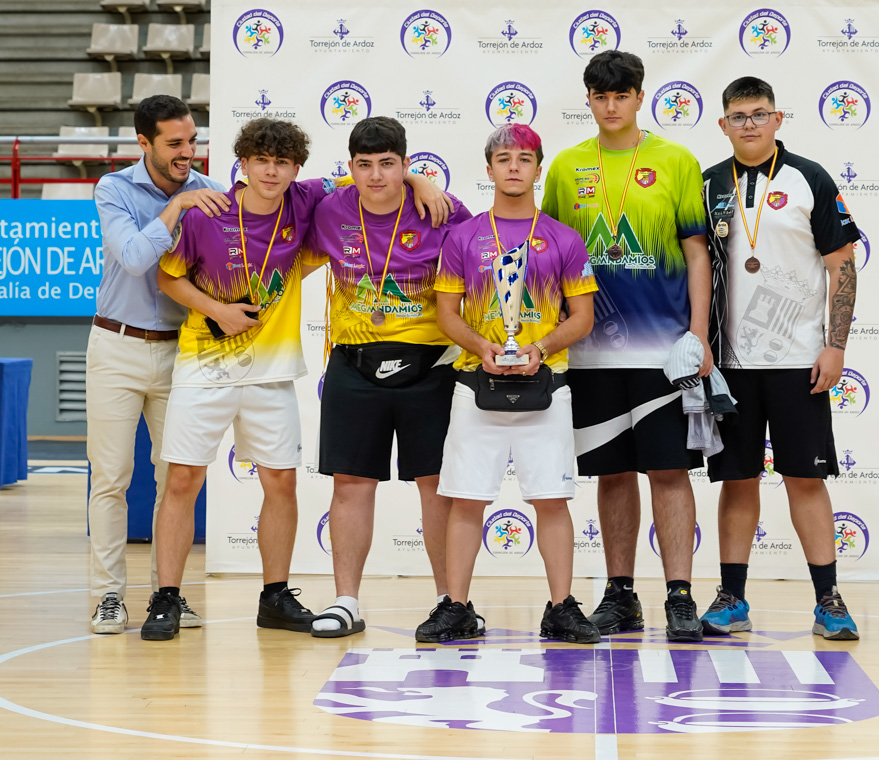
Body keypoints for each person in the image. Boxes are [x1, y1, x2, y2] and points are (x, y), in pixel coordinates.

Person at [541, 50, 712, 642]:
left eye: (621, 95)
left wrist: (699, 333)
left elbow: (696, 253)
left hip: (664, 349)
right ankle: (620, 595)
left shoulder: (676, 160)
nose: (610, 106)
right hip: (590, 353)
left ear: (641, 97)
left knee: (669, 472)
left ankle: (681, 596)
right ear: (588, 99)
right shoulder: (565, 166)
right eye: (599, 95)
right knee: (613, 476)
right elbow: (548, 258)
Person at [142, 118, 333, 641]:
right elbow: (168, 277)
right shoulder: (209, 213)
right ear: (243, 164)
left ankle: (275, 596)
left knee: (282, 482)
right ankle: (167, 597)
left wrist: (421, 181)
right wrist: (217, 312)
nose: (271, 171)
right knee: (183, 480)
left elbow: (371, 177)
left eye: (282, 163)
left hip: (271, 372)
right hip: (205, 367)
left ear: (296, 169)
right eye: (261, 161)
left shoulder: (305, 203)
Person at [416, 124, 600, 644]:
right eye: (503, 158)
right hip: (476, 385)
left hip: (548, 384)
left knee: (551, 499)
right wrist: (483, 348)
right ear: (489, 167)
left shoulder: (563, 237)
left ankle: (562, 607)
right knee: (466, 500)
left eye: (524, 158)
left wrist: (539, 349)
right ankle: (455, 607)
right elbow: (446, 314)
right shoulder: (464, 236)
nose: (514, 166)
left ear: (539, 168)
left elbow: (582, 316)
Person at [699, 77, 862, 640]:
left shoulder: (808, 178)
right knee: (737, 481)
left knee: (805, 480)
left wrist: (836, 345)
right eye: (738, 115)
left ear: (778, 119)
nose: (749, 123)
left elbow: (842, 265)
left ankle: (829, 600)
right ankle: (732, 598)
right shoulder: (708, 184)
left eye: (759, 113)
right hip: (728, 364)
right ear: (723, 124)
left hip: (798, 360)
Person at [302, 117, 471, 637]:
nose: (376, 176)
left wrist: (424, 185)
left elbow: (484, 258)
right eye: (364, 165)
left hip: (432, 364)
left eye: (388, 164)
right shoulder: (329, 207)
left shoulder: (441, 209)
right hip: (354, 361)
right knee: (352, 485)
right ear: (350, 167)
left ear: (405, 163)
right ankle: (346, 601)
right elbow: (276, 186)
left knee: (437, 486)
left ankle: (450, 602)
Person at [88, 95, 228, 634]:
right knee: (111, 479)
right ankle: (107, 597)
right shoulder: (113, 189)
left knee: (177, 481)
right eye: (175, 143)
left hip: (183, 351)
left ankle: (166, 595)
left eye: (193, 141)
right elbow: (136, 257)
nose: (187, 153)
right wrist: (177, 209)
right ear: (143, 142)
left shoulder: (211, 191)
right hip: (116, 346)